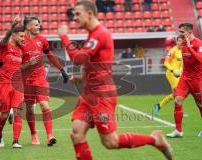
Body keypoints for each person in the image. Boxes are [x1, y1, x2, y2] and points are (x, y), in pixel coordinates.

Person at [58, 1, 173, 160]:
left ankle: (155, 139)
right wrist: (82, 76)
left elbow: (78, 59)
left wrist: (64, 36)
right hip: (88, 94)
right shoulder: (93, 34)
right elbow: (97, 63)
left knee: (110, 142)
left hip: (101, 95)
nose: (74, 18)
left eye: (78, 14)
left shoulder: (100, 33)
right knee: (76, 133)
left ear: (90, 14)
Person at [21, 16, 69, 146]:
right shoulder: (20, 41)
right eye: (36, 25)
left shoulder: (42, 40)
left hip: (40, 79)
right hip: (26, 81)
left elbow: (50, 56)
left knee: (45, 105)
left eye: (38, 25)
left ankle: (50, 136)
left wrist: (62, 70)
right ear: (28, 27)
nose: (38, 27)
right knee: (30, 109)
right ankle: (34, 134)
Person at [166, 23, 202, 138]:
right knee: (177, 100)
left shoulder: (198, 43)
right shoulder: (182, 44)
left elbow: (200, 59)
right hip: (185, 78)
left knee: (200, 104)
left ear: (189, 32)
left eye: (182, 32)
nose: (180, 34)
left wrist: (190, 47)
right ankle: (178, 130)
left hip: (197, 80)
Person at [0, 16, 25, 148]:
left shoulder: (20, 50)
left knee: (18, 112)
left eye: (24, 36)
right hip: (4, 85)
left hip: (18, 85)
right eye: (21, 36)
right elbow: (5, 38)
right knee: (4, 115)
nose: (23, 39)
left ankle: (16, 140)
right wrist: (12, 26)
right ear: (14, 35)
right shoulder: (5, 46)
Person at [154, 36, 183, 116]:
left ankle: (159, 105)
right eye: (179, 41)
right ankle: (179, 111)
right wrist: (173, 70)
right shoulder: (173, 50)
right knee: (179, 93)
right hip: (171, 74)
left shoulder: (184, 50)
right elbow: (165, 62)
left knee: (174, 94)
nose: (181, 42)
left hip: (179, 74)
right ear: (176, 42)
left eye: (182, 41)